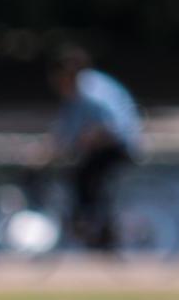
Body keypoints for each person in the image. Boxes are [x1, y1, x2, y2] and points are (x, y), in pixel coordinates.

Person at [44, 46, 143, 251]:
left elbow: (112, 127)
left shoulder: (91, 90)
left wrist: (83, 140)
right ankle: (94, 228)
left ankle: (99, 229)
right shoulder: (76, 92)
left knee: (84, 176)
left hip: (120, 145)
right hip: (103, 146)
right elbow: (64, 132)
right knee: (76, 176)